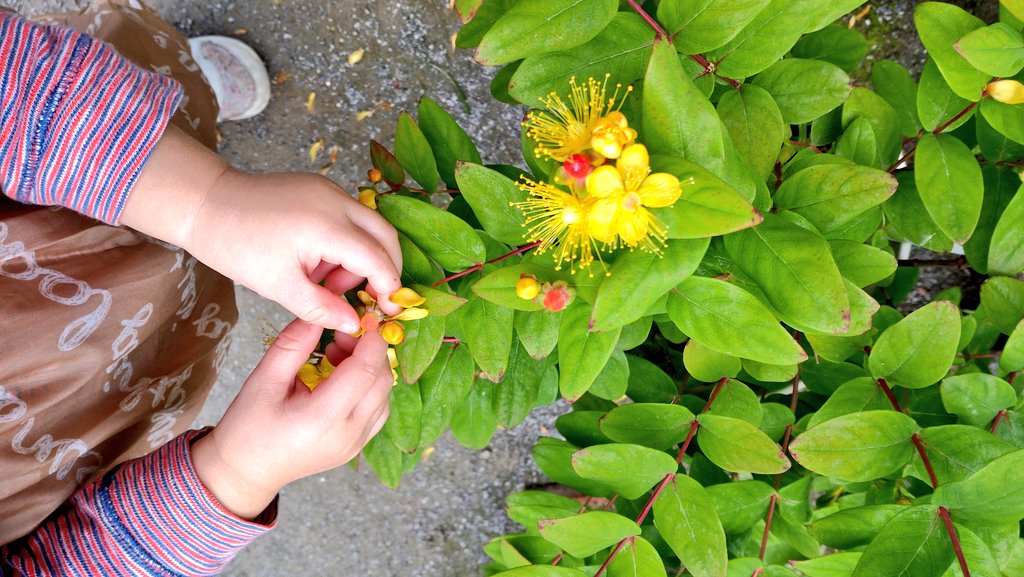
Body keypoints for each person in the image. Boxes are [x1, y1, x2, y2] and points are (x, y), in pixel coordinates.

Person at [0, 1, 401, 574]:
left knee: (151, 111)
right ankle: (182, 114)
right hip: (70, 422)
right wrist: (234, 475)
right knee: (167, 316)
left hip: (42, 187)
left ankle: (181, 110)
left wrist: (206, 202)